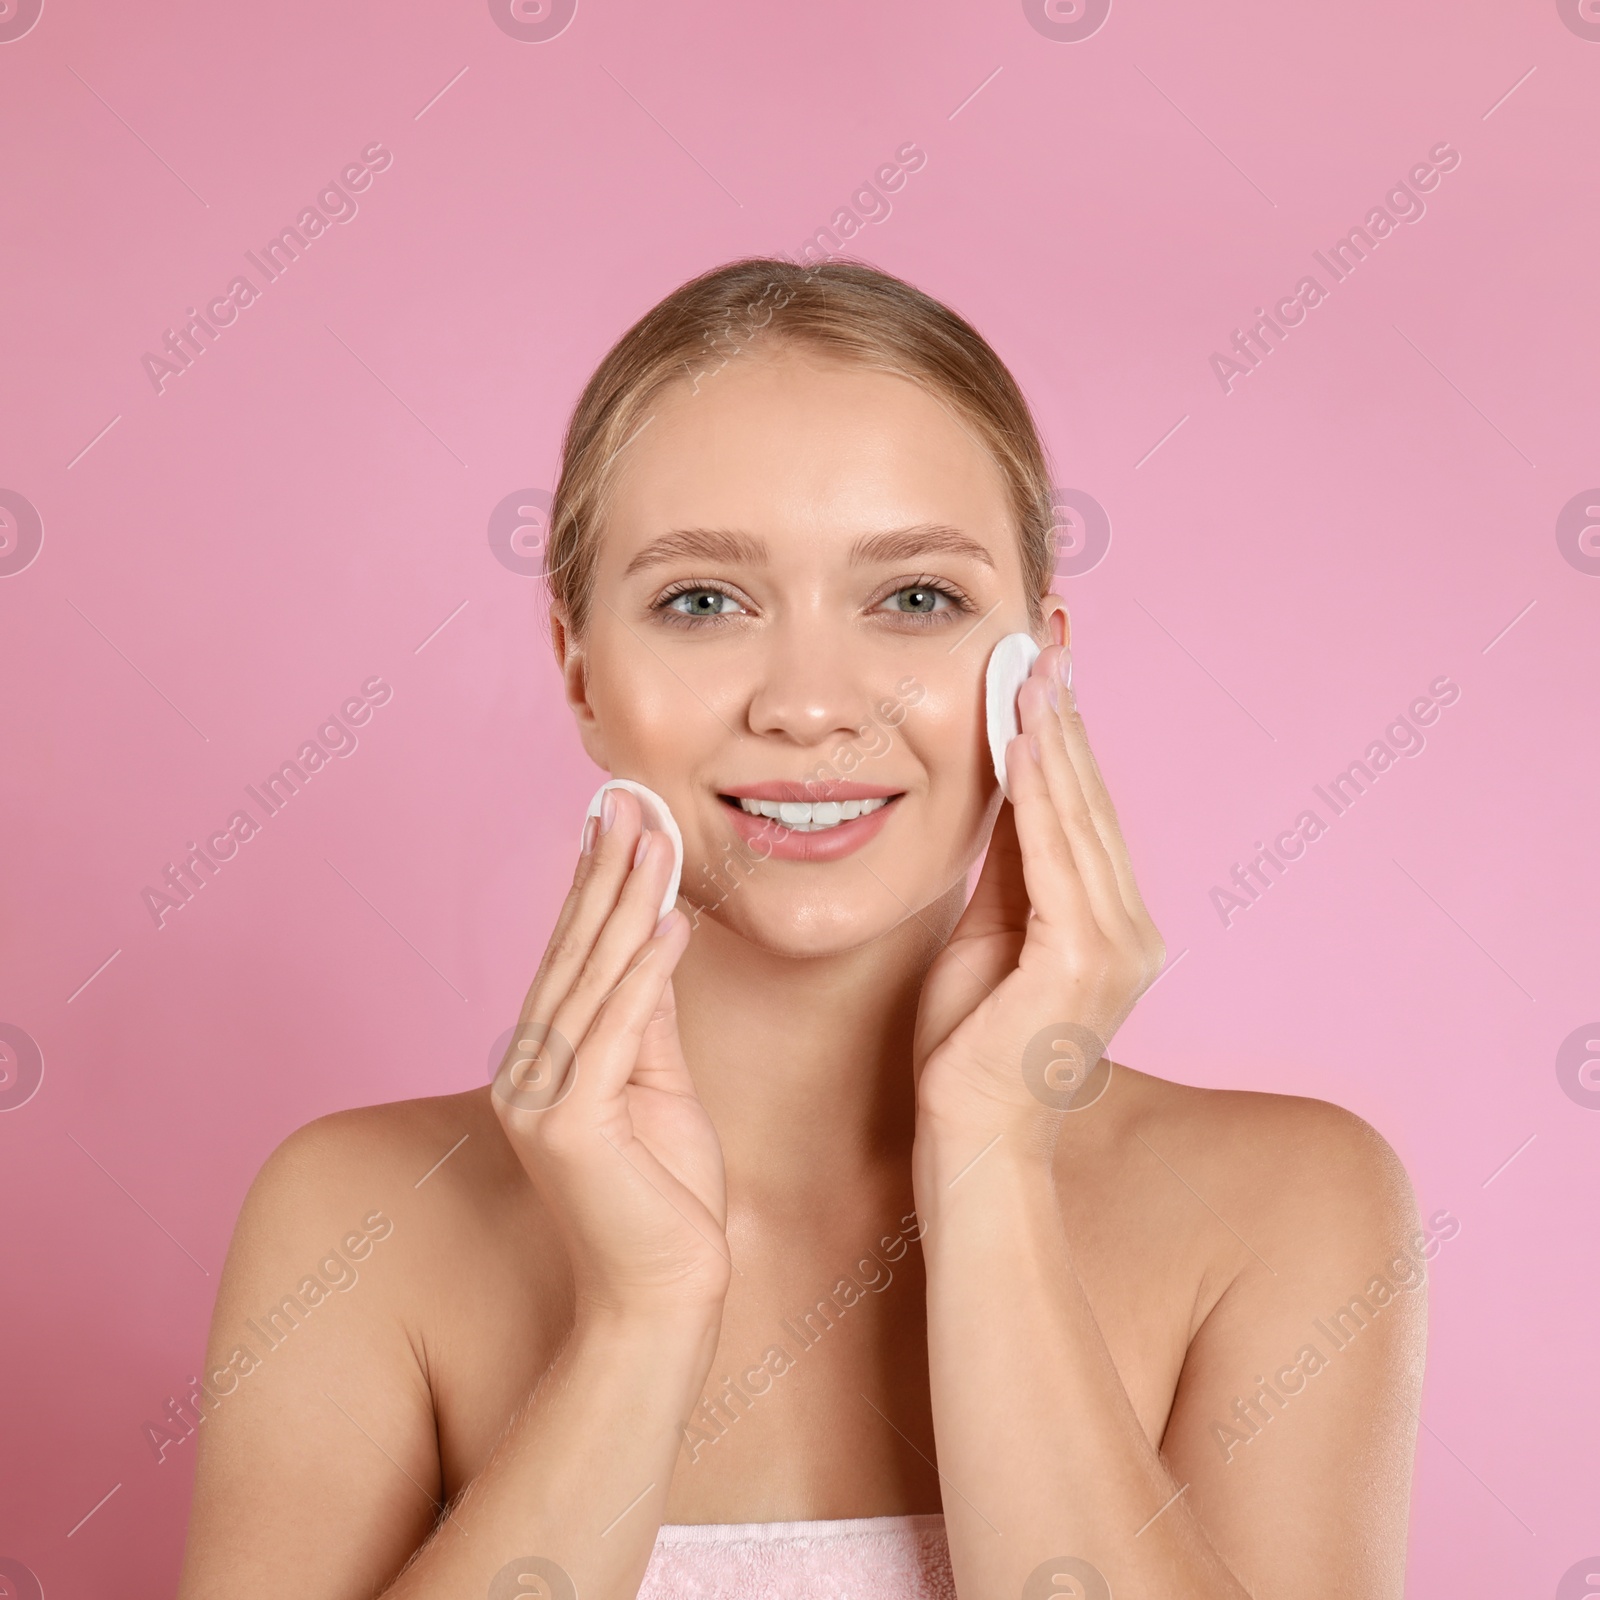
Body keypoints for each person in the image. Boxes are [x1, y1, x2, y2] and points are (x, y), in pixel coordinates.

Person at [175, 257, 1426, 1600]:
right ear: (581, 672)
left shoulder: (1289, 1207)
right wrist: (640, 1316)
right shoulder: (358, 1222)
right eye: (704, 601)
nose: (813, 706)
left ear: (1040, 669)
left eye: (916, 598)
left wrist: (994, 1162)